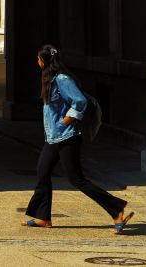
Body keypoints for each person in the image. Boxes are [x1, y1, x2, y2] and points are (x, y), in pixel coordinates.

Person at [21, 45, 133, 234]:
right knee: (42, 172)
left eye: (39, 58)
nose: (37, 61)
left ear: (45, 61)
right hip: (53, 137)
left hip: (67, 136)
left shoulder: (62, 79)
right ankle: (43, 217)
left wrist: (66, 120)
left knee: (77, 179)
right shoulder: (50, 79)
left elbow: (80, 101)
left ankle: (116, 210)